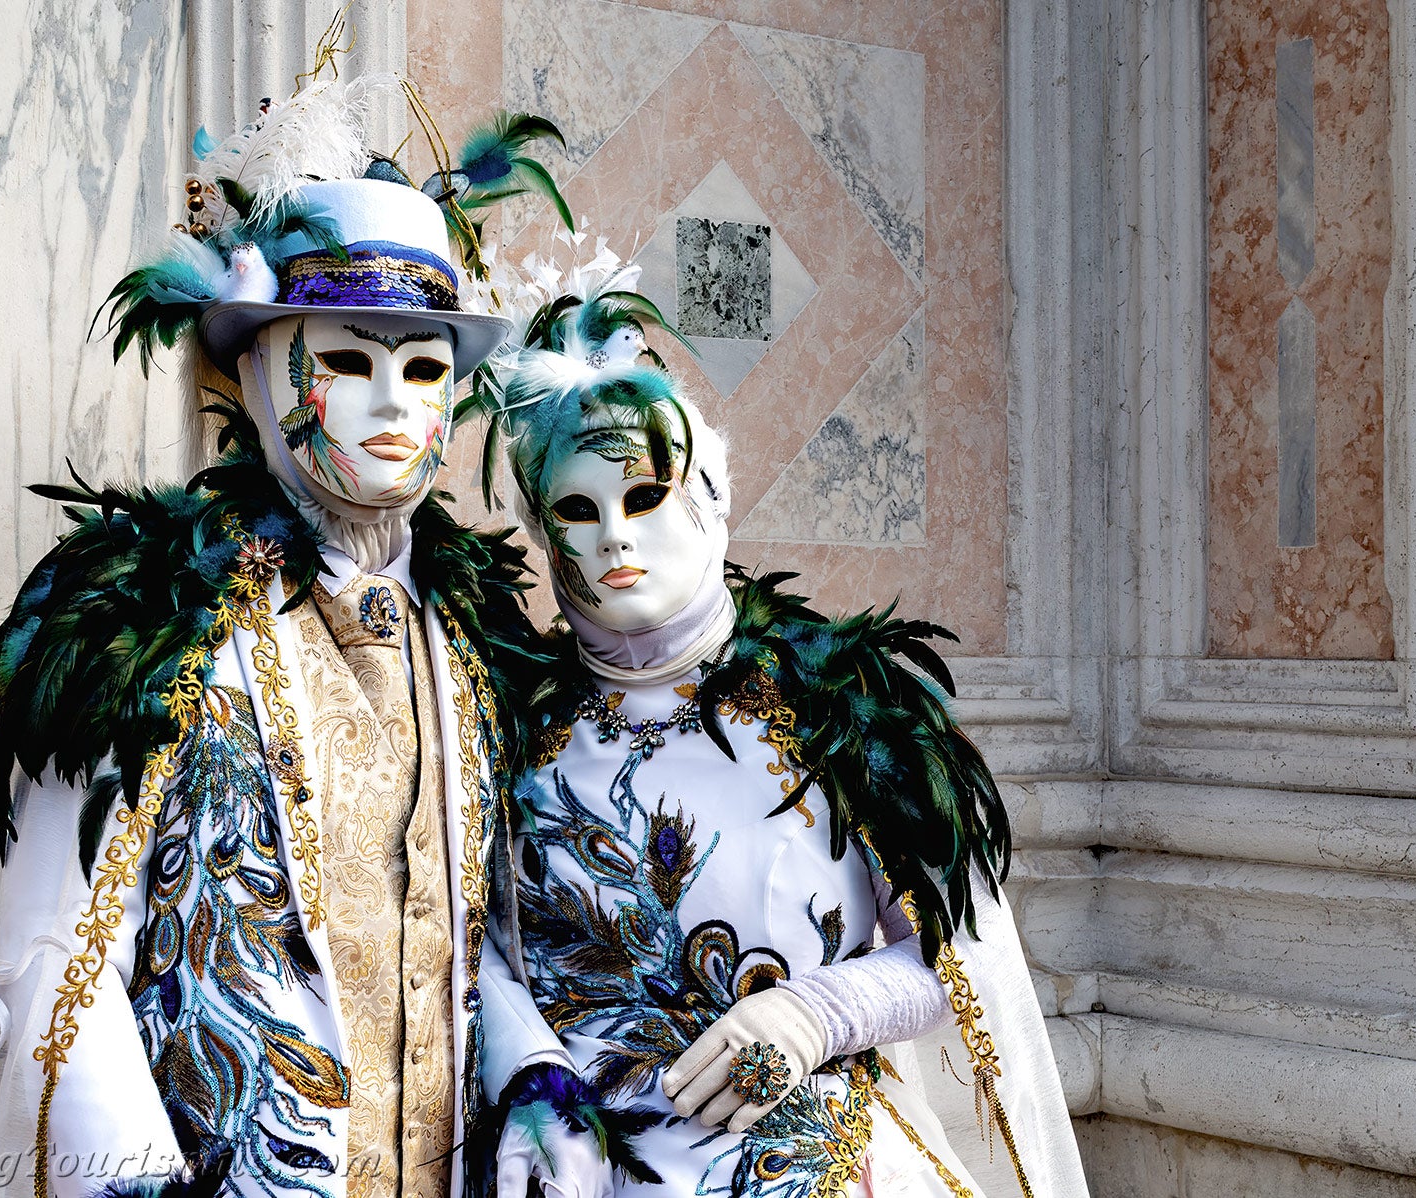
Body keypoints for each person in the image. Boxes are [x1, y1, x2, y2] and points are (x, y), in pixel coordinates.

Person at [0, 72, 572, 1198]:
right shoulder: (142, 620)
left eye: (425, 367)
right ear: (256, 369)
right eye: (349, 361)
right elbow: (58, 961)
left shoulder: (477, 640)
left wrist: (531, 1073)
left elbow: (474, 938)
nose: (395, 402)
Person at [462, 275, 1091, 1197]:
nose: (613, 539)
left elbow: (955, 953)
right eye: (576, 510)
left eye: (644, 495)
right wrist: (528, 1073)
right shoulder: (504, 720)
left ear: (710, 497)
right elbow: (455, 943)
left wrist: (819, 1013)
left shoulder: (834, 705)